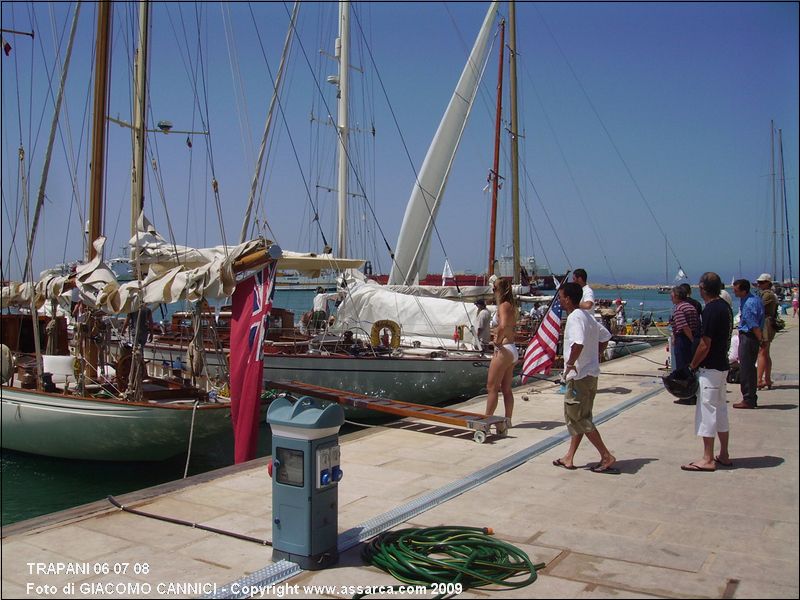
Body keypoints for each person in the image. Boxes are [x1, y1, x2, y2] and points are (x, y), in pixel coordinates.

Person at [551, 281, 616, 473]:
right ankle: (569, 457)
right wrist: (594, 356)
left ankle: (606, 455)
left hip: (578, 377)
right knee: (581, 416)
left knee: (577, 418)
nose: (560, 301)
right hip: (590, 375)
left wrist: (570, 363)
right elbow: (605, 336)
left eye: (561, 298)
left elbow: (577, 343)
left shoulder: (574, 318)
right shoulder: (588, 317)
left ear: (568, 299)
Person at [683, 272, 733, 471]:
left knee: (707, 411)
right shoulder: (726, 307)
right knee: (720, 411)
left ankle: (708, 458)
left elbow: (705, 343)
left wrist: (692, 365)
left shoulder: (711, 310)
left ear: (703, 289)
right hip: (722, 367)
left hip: (710, 368)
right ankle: (724, 454)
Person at [484, 279, 518, 421]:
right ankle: (508, 420)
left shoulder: (503, 306)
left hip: (503, 349)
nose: (493, 290)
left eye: (495, 288)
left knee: (492, 388)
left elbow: (503, 326)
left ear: (501, 290)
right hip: (512, 349)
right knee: (506, 389)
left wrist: (497, 342)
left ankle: (486, 421)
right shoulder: (512, 306)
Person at [731, 278, 763, 409]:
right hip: (750, 336)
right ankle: (750, 397)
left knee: (746, 368)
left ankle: (748, 398)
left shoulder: (748, 303)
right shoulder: (754, 299)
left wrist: (760, 339)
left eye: (736, 290)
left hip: (748, 336)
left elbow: (753, 324)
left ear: (744, 290)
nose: (734, 292)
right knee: (749, 367)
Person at [668, 285, 701, 404]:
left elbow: (684, 326)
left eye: (672, 296)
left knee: (682, 367)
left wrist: (690, 339)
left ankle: (686, 395)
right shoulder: (690, 306)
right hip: (692, 337)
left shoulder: (679, 309)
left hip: (684, 339)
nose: (671, 298)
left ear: (676, 296)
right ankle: (693, 392)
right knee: (690, 367)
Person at [755, 273, 778, 390]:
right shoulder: (766, 294)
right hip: (767, 322)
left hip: (766, 323)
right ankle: (767, 379)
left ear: (768, 283)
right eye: (759, 282)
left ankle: (759, 380)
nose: (759, 284)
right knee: (766, 352)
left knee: (762, 351)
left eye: (762, 282)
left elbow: (758, 308)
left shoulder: (767, 295)